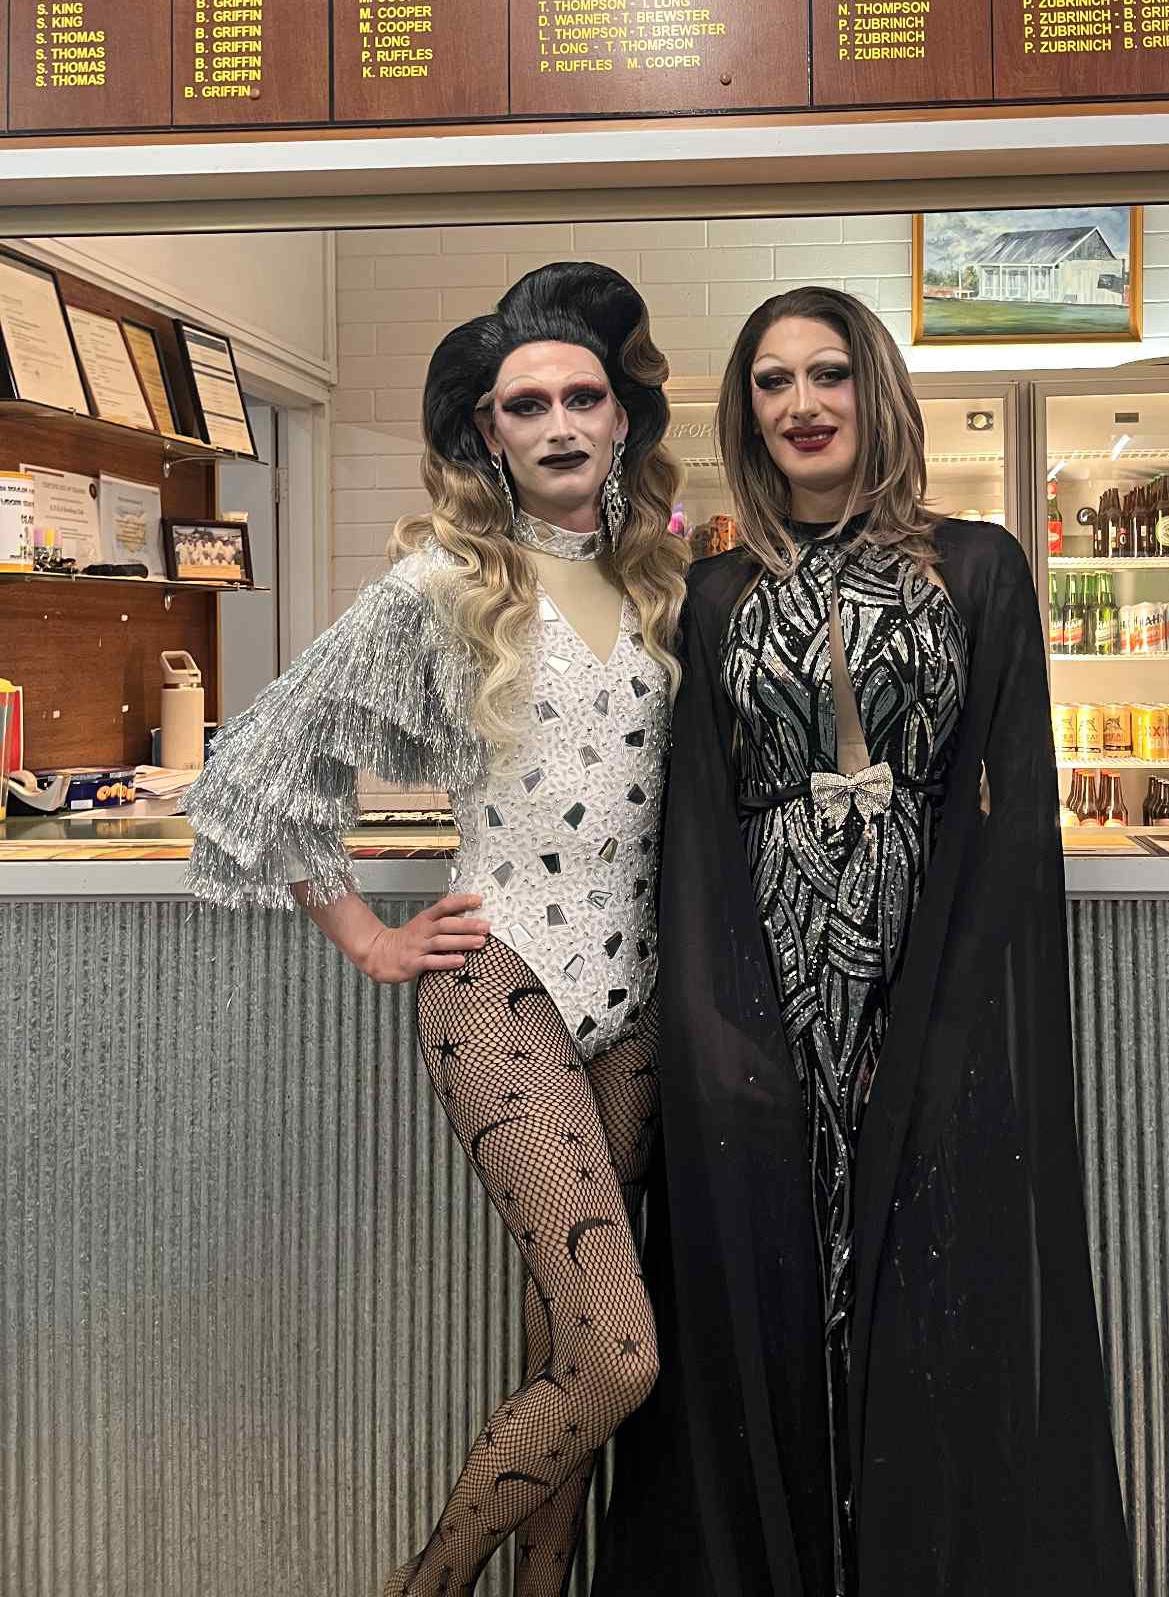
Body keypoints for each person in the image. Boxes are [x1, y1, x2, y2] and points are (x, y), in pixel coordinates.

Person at [598, 287, 1133, 1597]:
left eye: (827, 373)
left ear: (875, 391)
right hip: (763, 997)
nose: (802, 404)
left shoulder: (977, 567)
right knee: (775, 1310)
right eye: (772, 381)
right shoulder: (712, 593)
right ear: (747, 414)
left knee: (933, 1306)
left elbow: (1013, 818)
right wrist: (716, 1029)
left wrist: (969, 1020)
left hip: (929, 985)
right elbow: (688, 828)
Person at [185, 262, 688, 1597]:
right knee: (620, 1356)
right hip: (500, 979)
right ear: (487, 432)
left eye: (584, 396)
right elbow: (260, 766)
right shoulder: (442, 582)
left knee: (568, 1347)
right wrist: (365, 934)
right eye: (528, 405)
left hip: (640, 998)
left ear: (623, 418)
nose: (562, 423)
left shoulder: (662, 577)